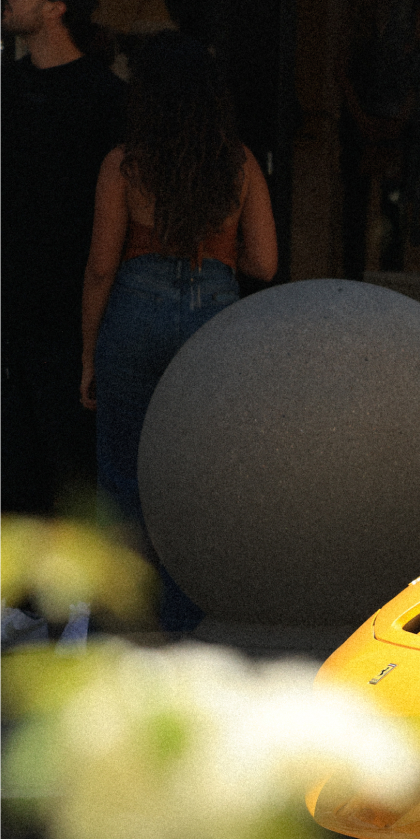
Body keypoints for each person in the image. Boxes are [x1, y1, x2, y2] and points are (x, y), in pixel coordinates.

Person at [80, 32, 278, 633]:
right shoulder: (239, 164)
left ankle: (123, 620)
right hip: (214, 314)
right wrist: (214, 256)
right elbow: (265, 263)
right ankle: (188, 614)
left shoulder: (125, 164)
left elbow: (101, 266)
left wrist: (89, 353)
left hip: (134, 311)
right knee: (201, 474)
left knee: (122, 470)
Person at [0, 0, 125, 528]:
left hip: (70, 306)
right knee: (14, 455)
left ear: (56, 7)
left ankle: (70, 605)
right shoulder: (9, 87)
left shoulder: (106, 99)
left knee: (68, 458)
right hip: (13, 303)